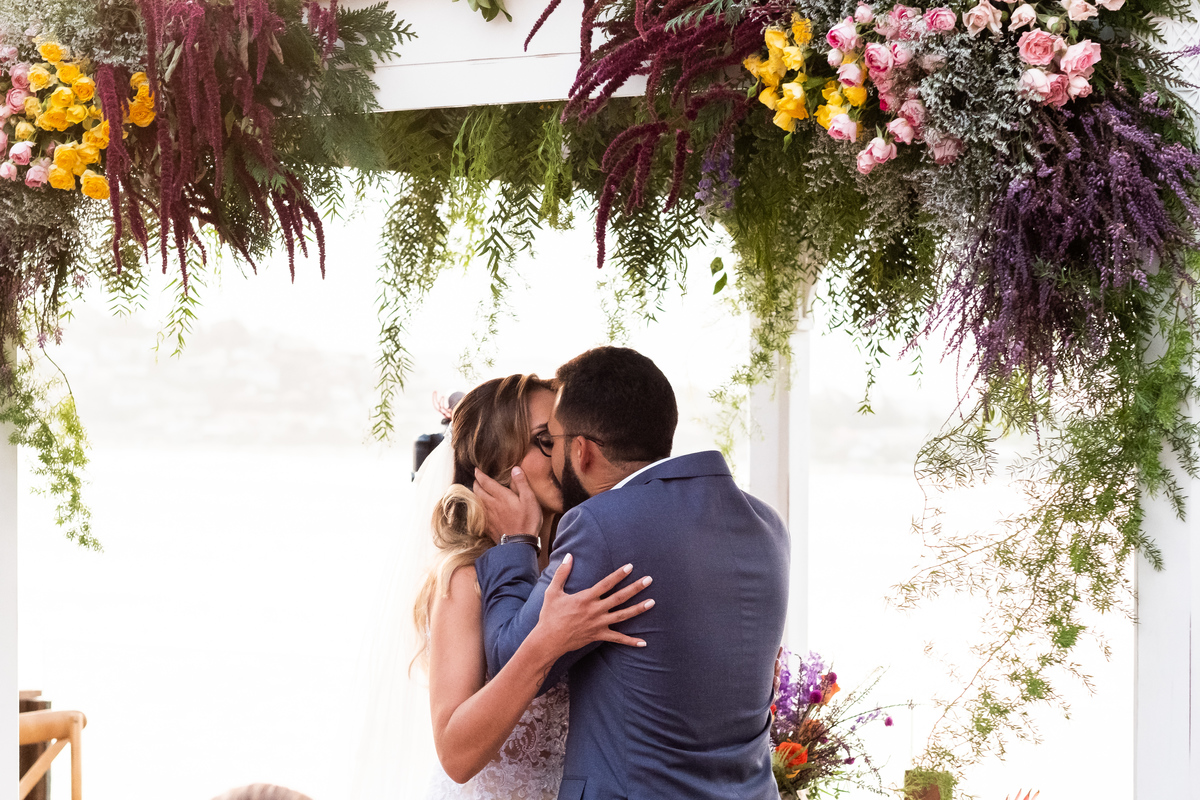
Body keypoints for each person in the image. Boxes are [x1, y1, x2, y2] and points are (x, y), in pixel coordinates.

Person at [472, 347, 791, 800]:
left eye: (553, 441)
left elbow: (510, 661)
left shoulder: (602, 526)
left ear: (581, 451)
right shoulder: (768, 525)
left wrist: (516, 544)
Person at [355, 373, 655, 800]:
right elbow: (456, 756)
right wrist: (547, 642)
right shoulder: (465, 580)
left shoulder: (590, 562)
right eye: (545, 441)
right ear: (496, 462)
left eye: (569, 437)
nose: (568, 454)